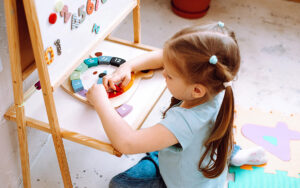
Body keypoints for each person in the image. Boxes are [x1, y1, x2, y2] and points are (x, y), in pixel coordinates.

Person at [86, 22, 266, 188]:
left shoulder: (184, 121)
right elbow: (165, 57)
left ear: (196, 90)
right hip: (206, 156)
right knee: (203, 138)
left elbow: (127, 143)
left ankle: (232, 156)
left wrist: (100, 101)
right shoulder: (219, 79)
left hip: (182, 182)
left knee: (119, 184)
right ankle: (234, 154)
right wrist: (128, 67)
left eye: (170, 75)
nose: (163, 72)